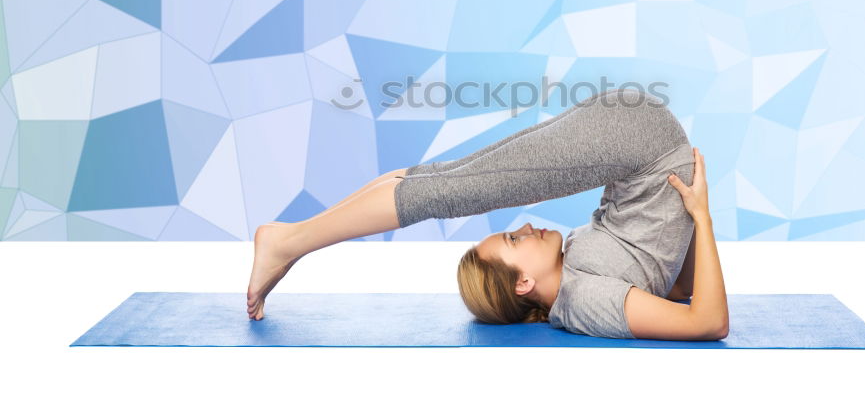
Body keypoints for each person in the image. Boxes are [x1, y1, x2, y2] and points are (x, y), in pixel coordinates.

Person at [246, 87, 728, 340]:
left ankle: (291, 237)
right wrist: (700, 217)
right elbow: (699, 315)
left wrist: (690, 214)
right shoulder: (583, 301)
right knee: (446, 188)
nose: (523, 227)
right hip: (640, 142)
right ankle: (287, 242)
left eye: (511, 235)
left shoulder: (573, 268)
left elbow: (672, 285)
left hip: (633, 138)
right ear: (523, 285)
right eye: (514, 242)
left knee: (446, 181)